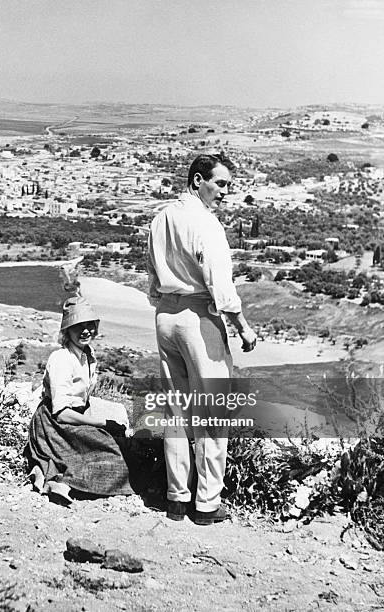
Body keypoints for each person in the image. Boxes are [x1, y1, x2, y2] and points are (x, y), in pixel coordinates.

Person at [147, 153, 257, 525]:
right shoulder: (207, 225)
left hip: (166, 315)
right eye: (221, 184)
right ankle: (207, 504)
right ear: (198, 181)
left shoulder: (161, 217)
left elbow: (151, 274)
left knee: (175, 408)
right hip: (198, 317)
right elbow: (221, 286)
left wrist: (165, 305)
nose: (225, 193)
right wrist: (242, 327)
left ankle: (177, 498)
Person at [24, 296, 133, 504]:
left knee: (119, 445)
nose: (85, 331)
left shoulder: (87, 355)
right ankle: (65, 483)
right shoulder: (61, 359)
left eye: (89, 325)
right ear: (67, 330)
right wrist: (102, 423)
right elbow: (61, 412)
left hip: (76, 416)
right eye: (78, 326)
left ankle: (69, 480)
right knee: (110, 451)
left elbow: (84, 398)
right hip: (54, 424)